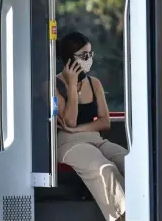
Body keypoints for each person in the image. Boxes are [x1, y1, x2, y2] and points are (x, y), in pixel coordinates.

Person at [55, 32, 127, 221]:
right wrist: (72, 86)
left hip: (95, 138)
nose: (89, 60)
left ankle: (146, 209)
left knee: (128, 162)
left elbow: (105, 121)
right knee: (104, 169)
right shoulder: (53, 85)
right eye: (84, 56)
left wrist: (79, 129)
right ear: (70, 59)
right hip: (69, 144)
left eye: (91, 55)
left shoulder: (94, 83)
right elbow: (69, 121)